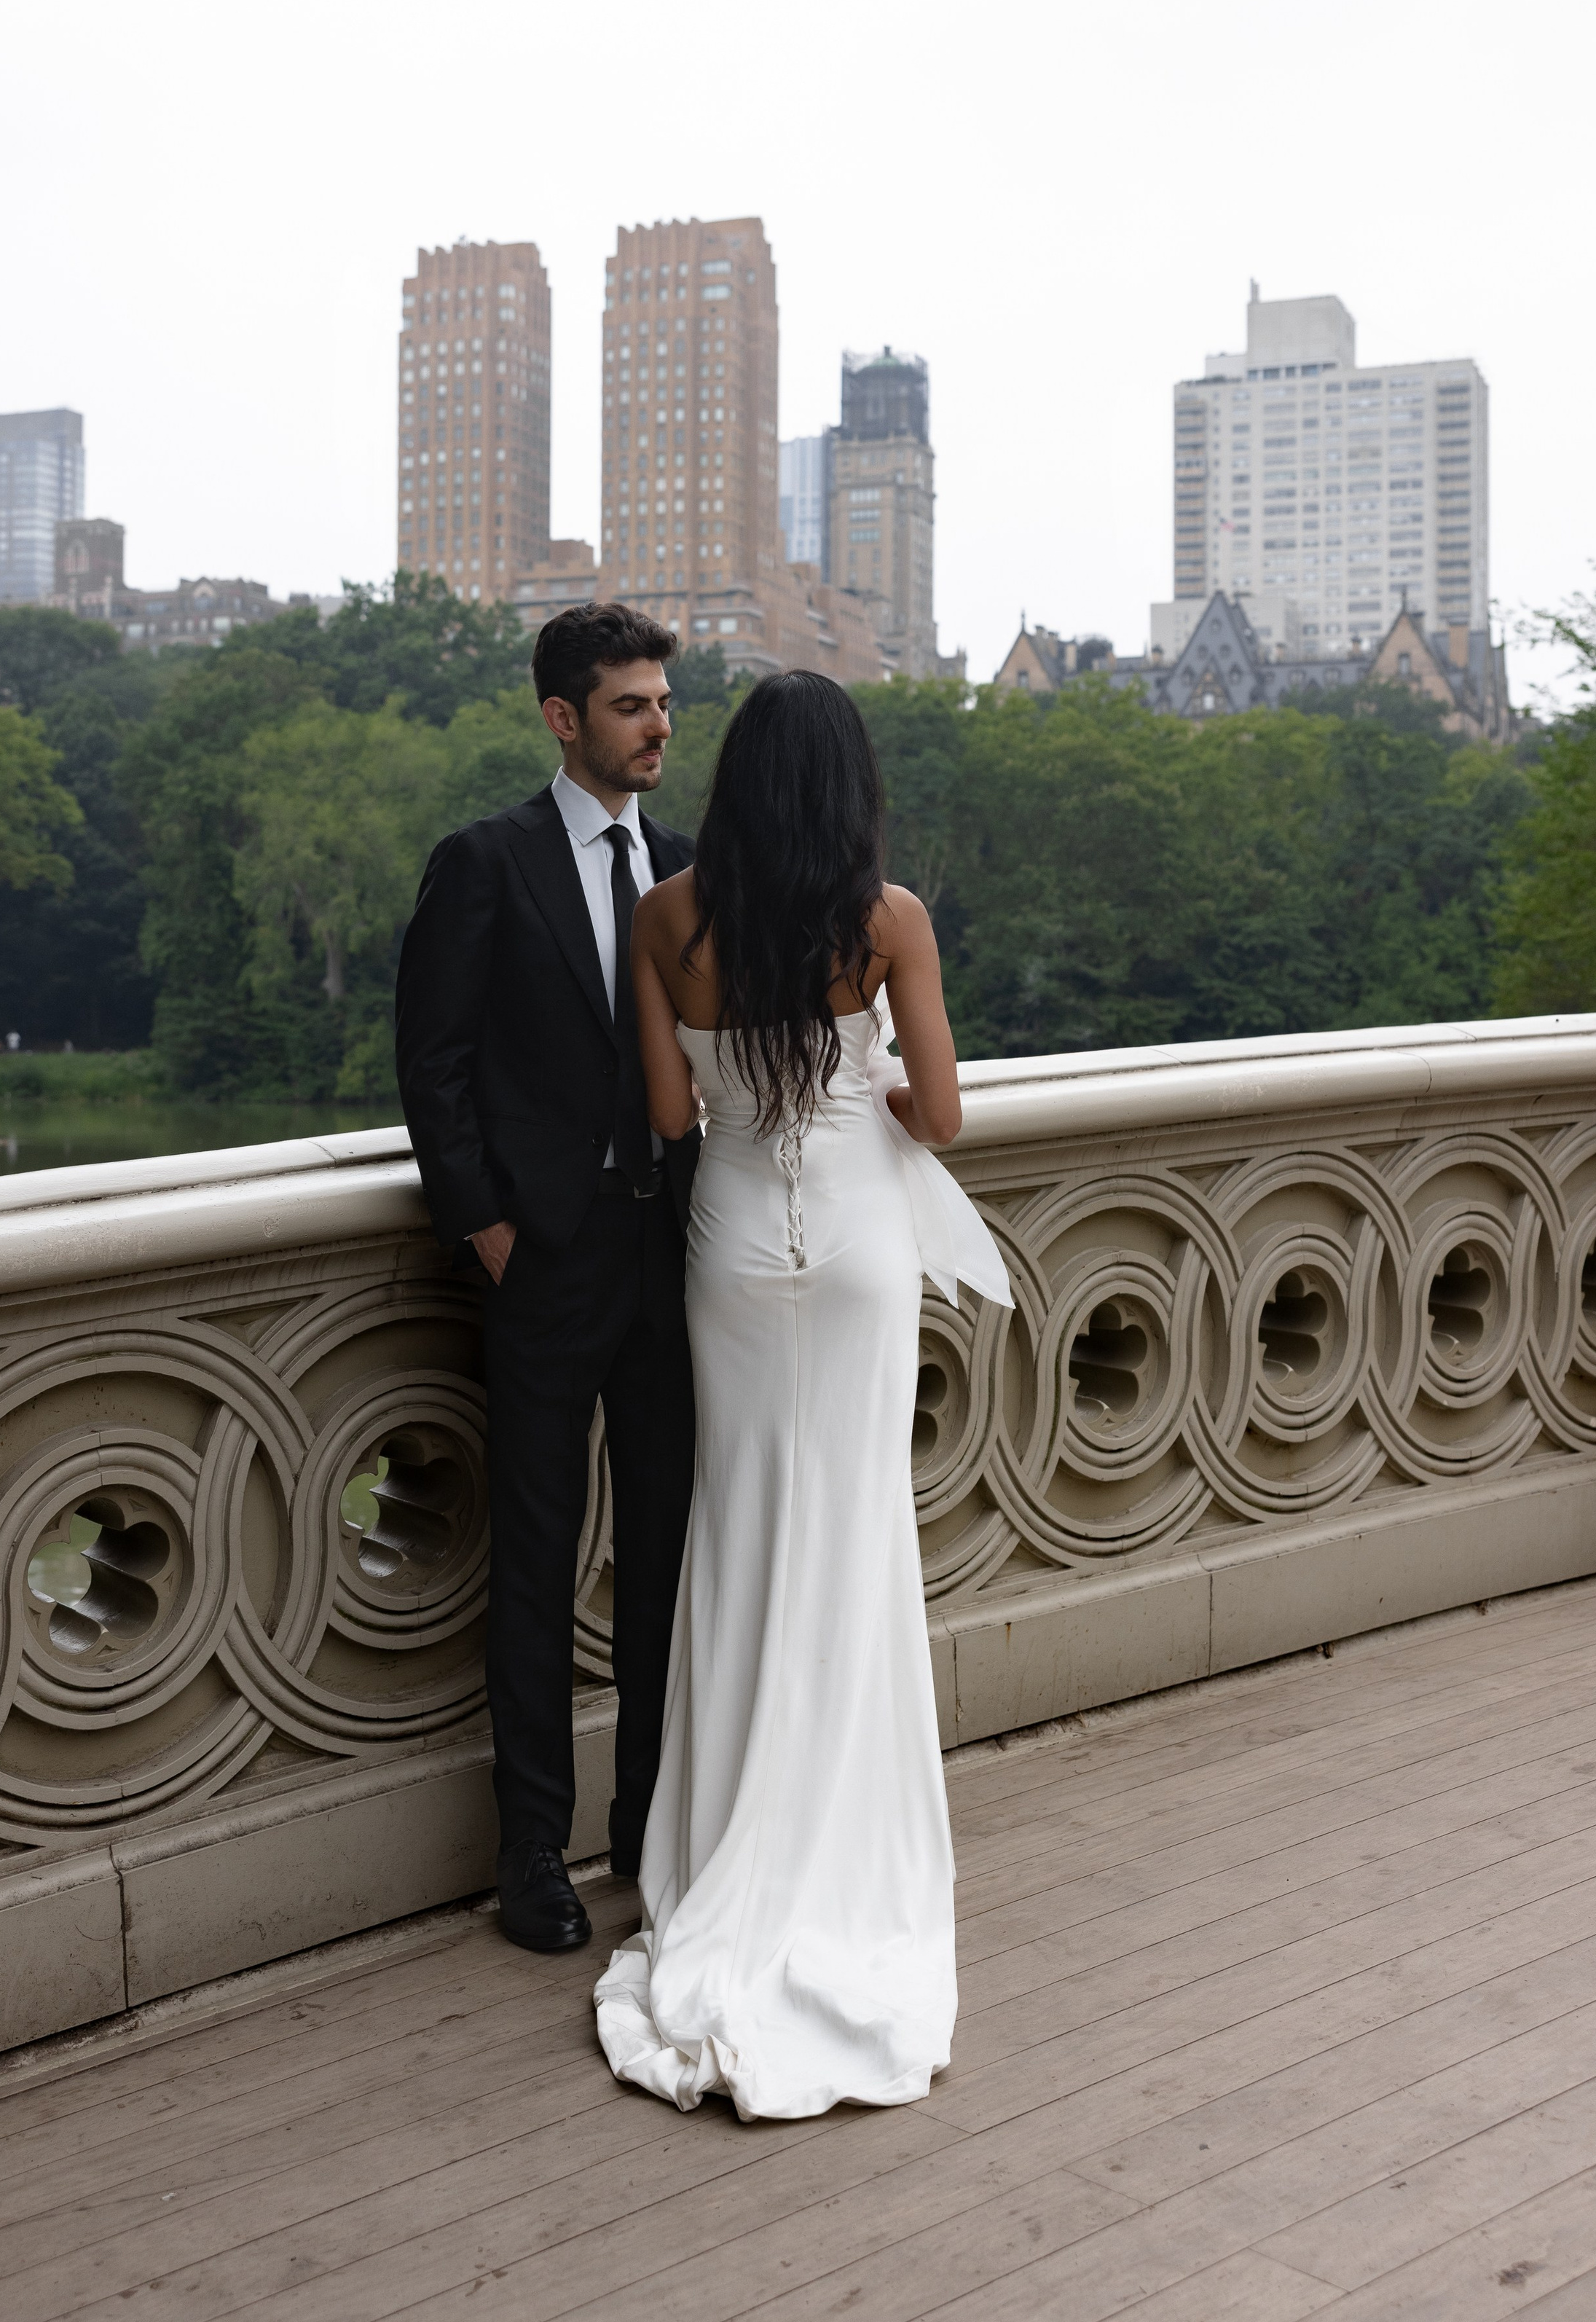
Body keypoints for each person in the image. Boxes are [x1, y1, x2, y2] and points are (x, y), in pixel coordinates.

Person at [593, 667, 1010, 2120]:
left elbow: (668, 1114)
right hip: (853, 1251)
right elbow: (940, 1116)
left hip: (726, 1254)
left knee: (743, 1526)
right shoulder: (887, 920)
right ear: (846, 785)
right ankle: (839, 1836)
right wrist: (870, 1091)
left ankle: (728, 1840)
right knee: (852, 1530)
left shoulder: (664, 916)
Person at [395, 603, 699, 1956]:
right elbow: (434, 1062)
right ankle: (533, 1851)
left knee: (667, 1556)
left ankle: (648, 1828)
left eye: (664, 702)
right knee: (532, 1562)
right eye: (632, 705)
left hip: (674, 1258)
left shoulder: (688, 871)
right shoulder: (485, 863)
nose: (659, 726)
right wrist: (487, 1227)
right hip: (545, 1264)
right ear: (562, 718)